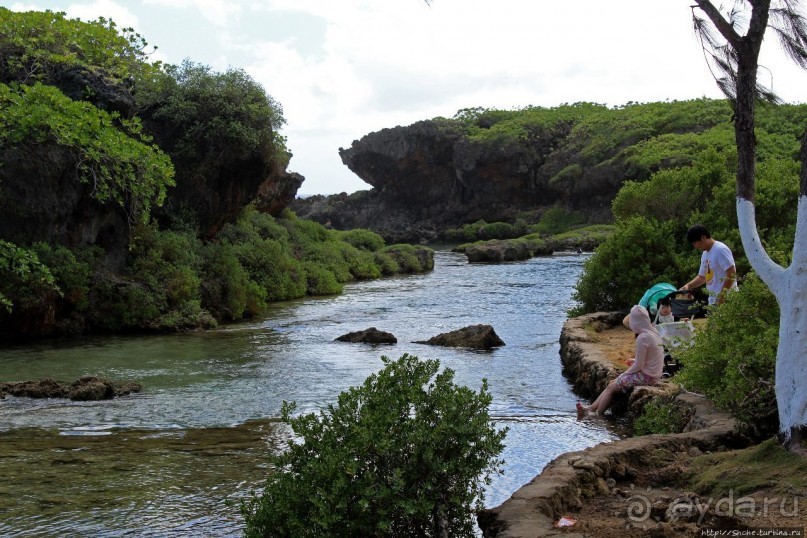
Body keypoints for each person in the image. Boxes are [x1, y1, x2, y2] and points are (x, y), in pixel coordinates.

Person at [577, 305, 664, 418]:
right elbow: (649, 358)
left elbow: (638, 365)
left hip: (648, 377)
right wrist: (634, 361)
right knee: (611, 384)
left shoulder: (643, 338)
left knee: (612, 387)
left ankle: (598, 414)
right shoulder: (653, 331)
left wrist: (623, 375)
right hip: (654, 374)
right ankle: (591, 408)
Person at [680, 224, 738, 306]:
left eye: (696, 243)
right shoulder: (705, 254)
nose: (696, 246)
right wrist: (688, 285)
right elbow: (702, 277)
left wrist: (722, 297)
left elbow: (732, 273)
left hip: (727, 300)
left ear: (703, 237)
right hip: (713, 301)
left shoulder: (720, 249)